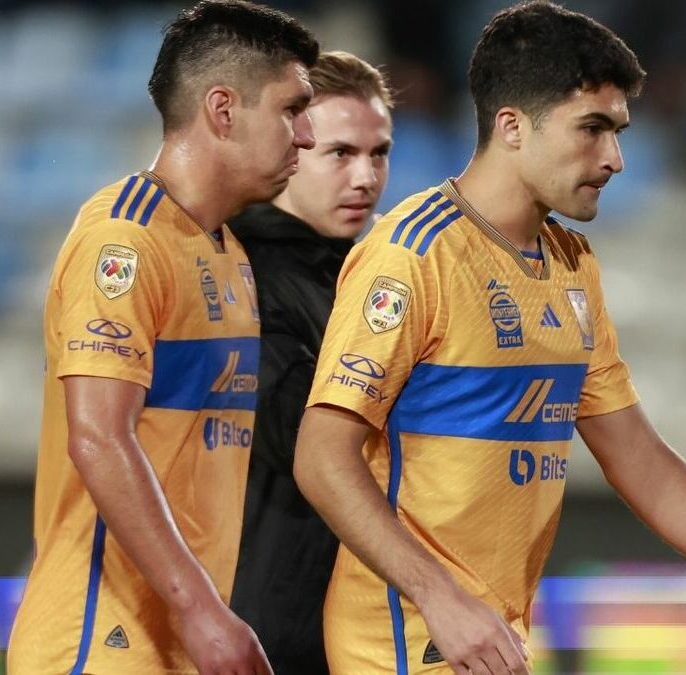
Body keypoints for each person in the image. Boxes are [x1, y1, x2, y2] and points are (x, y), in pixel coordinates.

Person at [293, 2, 686, 674]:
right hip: (407, 647)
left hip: (494, 643)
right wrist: (441, 598)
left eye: (617, 132)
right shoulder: (413, 256)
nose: (614, 158)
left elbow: (635, 451)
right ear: (513, 127)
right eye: (592, 129)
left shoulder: (571, 263)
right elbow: (322, 457)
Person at [7, 2, 318, 674]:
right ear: (223, 110)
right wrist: (201, 609)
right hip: (99, 642)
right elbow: (97, 436)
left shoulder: (225, 250)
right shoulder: (124, 240)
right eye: (293, 109)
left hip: (178, 641)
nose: (308, 137)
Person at [227, 50, 393, 675]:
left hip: (356, 623)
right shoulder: (240, 274)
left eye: (379, 153)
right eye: (340, 154)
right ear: (292, 150)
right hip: (270, 623)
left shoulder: (376, 272)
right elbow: (306, 444)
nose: (366, 177)